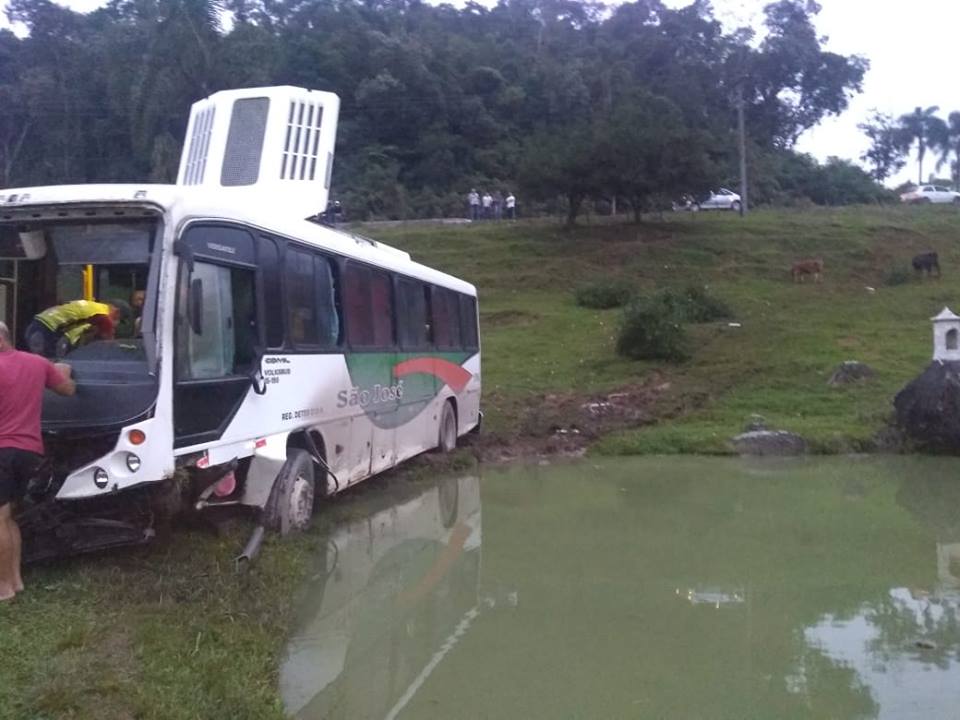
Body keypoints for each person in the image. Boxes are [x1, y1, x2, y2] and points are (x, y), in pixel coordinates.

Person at [0, 321, 75, 601]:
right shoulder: (38, 363)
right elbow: (68, 389)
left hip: (1, 450)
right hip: (29, 452)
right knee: (9, 518)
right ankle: (16, 581)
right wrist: (63, 371)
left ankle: (3, 588)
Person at [24, 299, 119, 358]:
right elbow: (107, 341)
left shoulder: (93, 307)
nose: (116, 324)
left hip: (38, 324)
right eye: (117, 319)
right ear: (116, 312)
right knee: (49, 363)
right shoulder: (103, 314)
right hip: (47, 328)